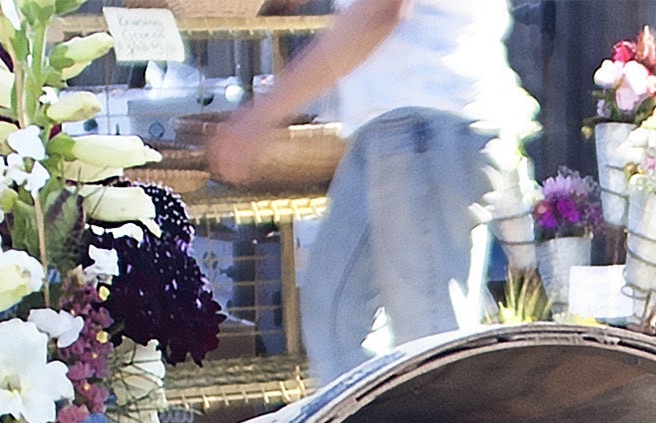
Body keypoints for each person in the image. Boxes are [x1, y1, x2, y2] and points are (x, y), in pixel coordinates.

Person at [207, 0, 536, 385]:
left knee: (429, 350)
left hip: (427, 123)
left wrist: (260, 116)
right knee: (334, 322)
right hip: (392, 127)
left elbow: (379, 13)